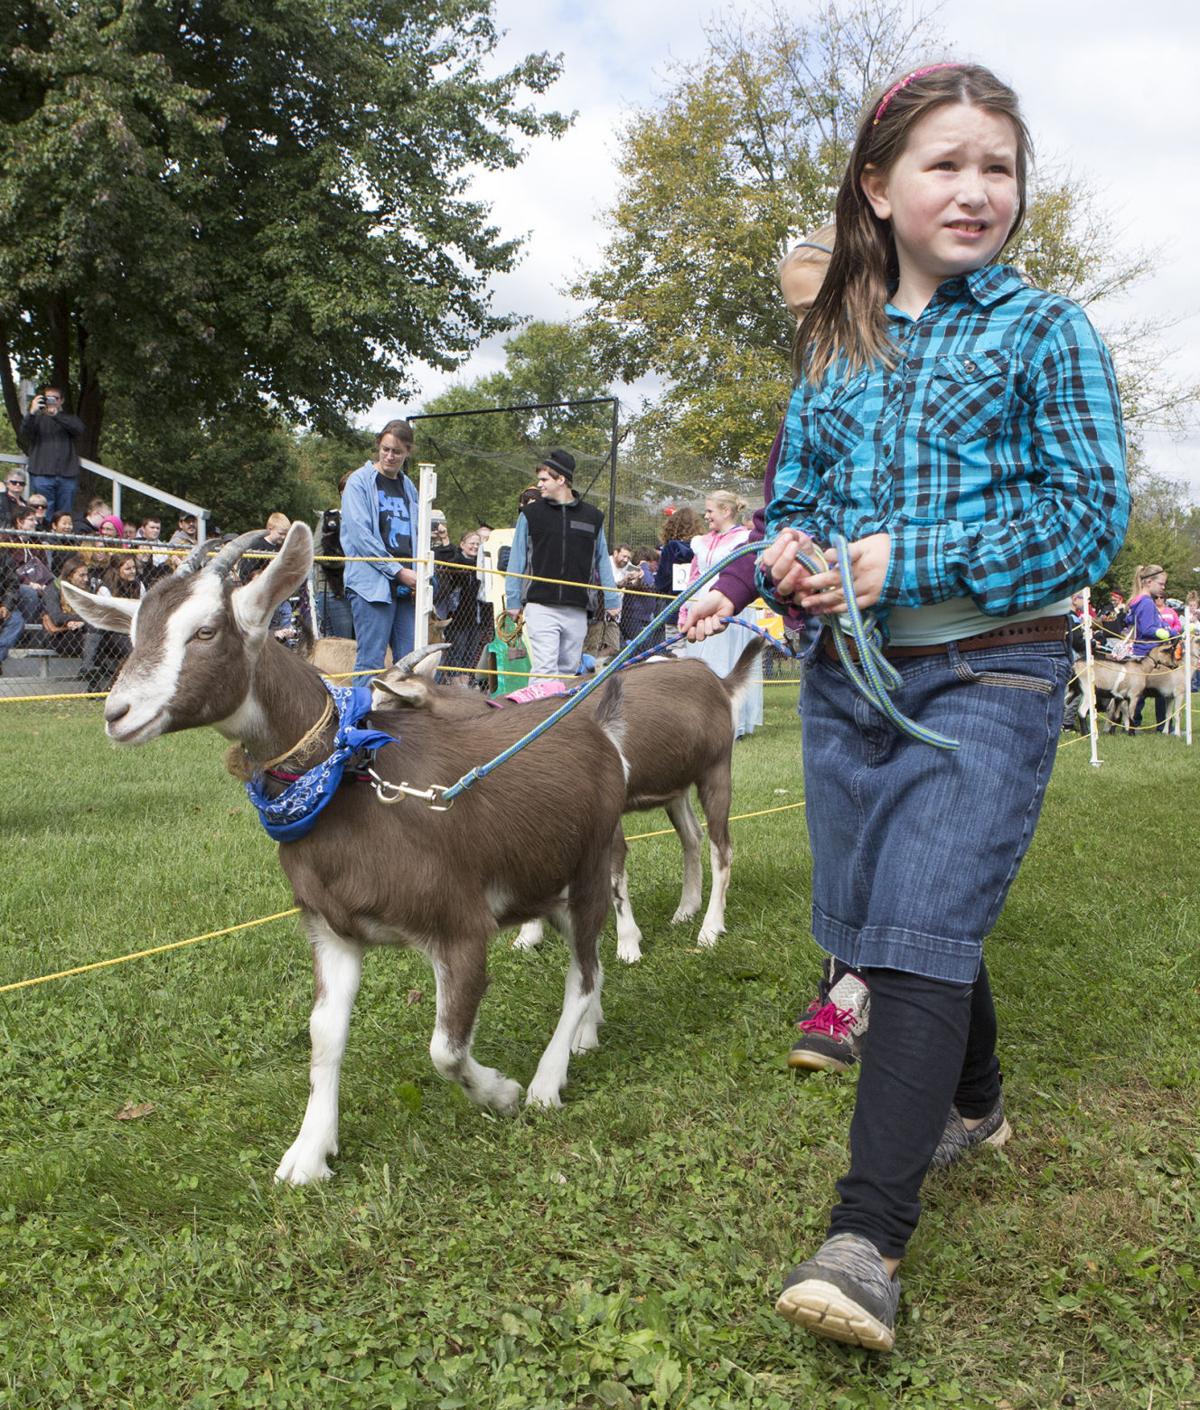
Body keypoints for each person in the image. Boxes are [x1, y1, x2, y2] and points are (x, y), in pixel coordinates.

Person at [758, 62, 1127, 1353]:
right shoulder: (835, 343)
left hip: (992, 669)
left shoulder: (1047, 332)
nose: (976, 189)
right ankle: (976, 1103)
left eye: (999, 166)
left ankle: (865, 1238)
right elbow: (790, 494)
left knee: (913, 935)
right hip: (850, 675)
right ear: (877, 184)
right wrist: (787, 557)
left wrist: (906, 556)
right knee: (882, 915)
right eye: (945, 163)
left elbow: (1086, 516)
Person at [503, 450, 619, 680]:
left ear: (561, 479)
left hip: (577, 607)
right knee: (545, 669)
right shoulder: (530, 514)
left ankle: (561, 716)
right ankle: (537, 715)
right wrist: (513, 599)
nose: (539, 484)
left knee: (568, 671)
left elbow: (601, 560)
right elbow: (517, 560)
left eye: (544, 479)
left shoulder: (593, 517)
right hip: (540, 605)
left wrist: (612, 599)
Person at [678, 492, 764, 737]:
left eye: (710, 511)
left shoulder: (746, 538)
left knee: (729, 661)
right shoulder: (700, 542)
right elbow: (694, 576)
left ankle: (732, 721)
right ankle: (704, 717)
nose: (706, 516)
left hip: (734, 602)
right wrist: (685, 608)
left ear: (726, 511)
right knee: (702, 662)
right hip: (703, 602)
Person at [340, 418, 420, 674]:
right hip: (371, 585)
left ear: (408, 452)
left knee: (409, 664)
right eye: (385, 449)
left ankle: (401, 716)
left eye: (397, 451)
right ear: (378, 446)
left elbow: (416, 532)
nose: (389, 456)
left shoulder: (409, 487)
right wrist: (397, 571)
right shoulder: (359, 482)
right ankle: (362, 715)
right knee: (371, 662)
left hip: (407, 586)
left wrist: (417, 574)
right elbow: (361, 537)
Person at [19, 386, 84, 521]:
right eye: (47, 398)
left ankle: (61, 541)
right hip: (41, 474)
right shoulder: (36, 419)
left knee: (65, 515)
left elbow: (79, 429)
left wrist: (56, 416)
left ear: (62, 401)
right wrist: (32, 411)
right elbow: (24, 434)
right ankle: (44, 540)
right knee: (42, 512)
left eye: (55, 398)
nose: (51, 401)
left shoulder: (68, 419)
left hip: (67, 475)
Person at [41, 556, 90, 656]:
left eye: (87, 575)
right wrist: (82, 619)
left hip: (80, 631)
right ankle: (89, 667)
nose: (86, 579)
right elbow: (57, 618)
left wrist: (81, 622)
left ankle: (90, 667)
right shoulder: (52, 589)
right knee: (93, 638)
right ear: (69, 576)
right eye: (82, 575)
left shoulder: (86, 589)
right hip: (58, 636)